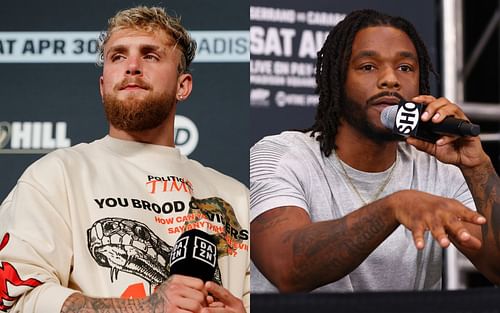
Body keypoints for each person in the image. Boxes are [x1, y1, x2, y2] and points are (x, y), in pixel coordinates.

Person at [0, 6, 248, 313]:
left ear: (182, 86)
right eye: (118, 56)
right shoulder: (56, 176)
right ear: (103, 87)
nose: (132, 66)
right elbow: (14, 296)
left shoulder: (236, 197)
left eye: (150, 55)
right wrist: (147, 307)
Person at [250, 9, 500, 293]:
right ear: (336, 79)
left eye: (405, 68)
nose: (390, 79)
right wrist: (394, 207)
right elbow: (288, 267)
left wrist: (478, 166)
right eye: (368, 66)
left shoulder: (440, 167)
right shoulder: (281, 156)